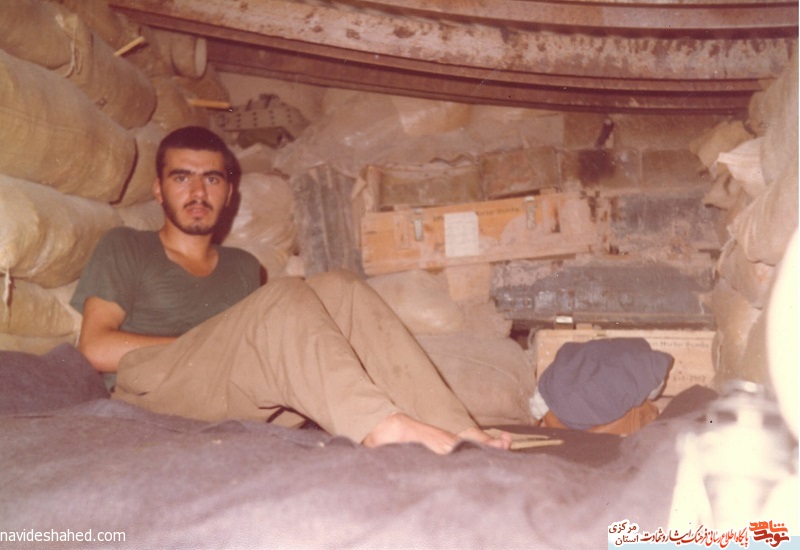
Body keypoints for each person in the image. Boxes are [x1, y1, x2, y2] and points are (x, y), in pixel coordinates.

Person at [70, 125, 511, 454]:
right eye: (182, 178)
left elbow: (257, 354)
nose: (198, 192)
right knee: (284, 298)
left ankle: (457, 428)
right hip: (154, 396)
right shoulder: (127, 245)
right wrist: (215, 344)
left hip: (233, 402)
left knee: (340, 286)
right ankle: (381, 427)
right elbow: (94, 347)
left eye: (213, 179)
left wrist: (241, 344)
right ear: (158, 189)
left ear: (229, 193)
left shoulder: (243, 266)